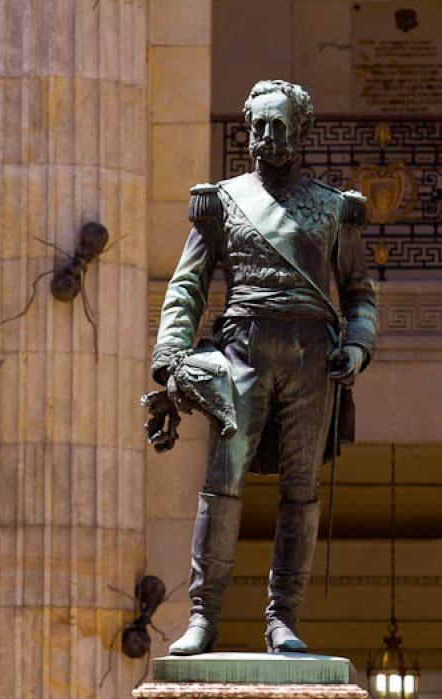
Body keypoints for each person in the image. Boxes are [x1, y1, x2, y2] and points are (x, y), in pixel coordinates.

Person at [151, 80, 377, 655]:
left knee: (301, 491)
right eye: (258, 126)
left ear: (300, 132)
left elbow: (358, 295)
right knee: (221, 485)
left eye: (278, 127)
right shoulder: (221, 202)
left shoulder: (334, 208)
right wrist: (170, 355)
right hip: (243, 352)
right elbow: (187, 288)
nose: (265, 138)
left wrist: (356, 345)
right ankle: (203, 616)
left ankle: (282, 619)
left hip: (311, 357)